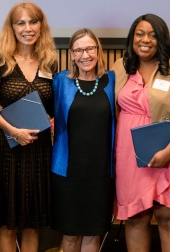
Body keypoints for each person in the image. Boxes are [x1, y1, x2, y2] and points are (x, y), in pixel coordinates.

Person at [113, 13, 170, 252]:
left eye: (153, 35)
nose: (146, 40)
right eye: (140, 34)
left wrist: (169, 152)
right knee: (135, 218)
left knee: (169, 219)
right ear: (132, 38)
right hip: (130, 157)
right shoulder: (119, 68)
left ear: (162, 39)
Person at [0, 1, 57, 252]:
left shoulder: (49, 62)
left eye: (33, 22)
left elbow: (53, 107)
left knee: (32, 221)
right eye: (21, 22)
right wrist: (13, 130)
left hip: (38, 149)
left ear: (41, 25)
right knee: (8, 222)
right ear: (12, 27)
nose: (27, 28)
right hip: (7, 148)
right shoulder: (0, 61)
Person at [51, 29, 116, 252]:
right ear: (71, 54)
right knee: (70, 235)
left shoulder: (112, 80)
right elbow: (39, 108)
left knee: (93, 233)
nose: (85, 55)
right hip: (68, 172)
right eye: (78, 50)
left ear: (98, 50)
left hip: (100, 172)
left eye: (90, 48)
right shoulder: (60, 81)